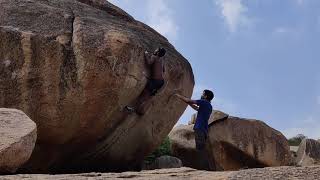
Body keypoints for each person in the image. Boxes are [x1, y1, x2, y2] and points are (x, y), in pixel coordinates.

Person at [175, 89, 214, 170]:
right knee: (201, 148)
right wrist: (188, 102)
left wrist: (178, 95)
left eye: (203, 94)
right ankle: (205, 167)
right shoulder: (208, 106)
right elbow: (195, 107)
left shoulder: (204, 102)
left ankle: (203, 168)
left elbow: (190, 101)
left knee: (200, 149)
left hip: (200, 128)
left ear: (206, 96)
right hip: (204, 129)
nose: (201, 95)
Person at [125, 47, 166, 115]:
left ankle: (133, 109)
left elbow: (149, 63)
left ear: (158, 52)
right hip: (161, 82)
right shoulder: (162, 60)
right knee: (149, 96)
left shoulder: (154, 57)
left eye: (156, 49)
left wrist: (146, 54)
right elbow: (163, 70)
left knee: (143, 95)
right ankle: (141, 110)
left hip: (154, 81)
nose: (155, 49)